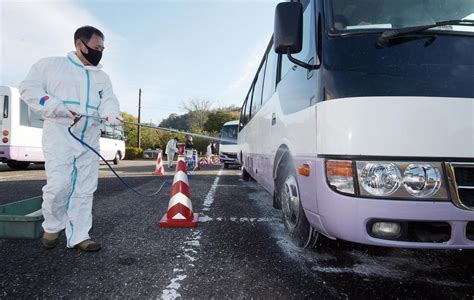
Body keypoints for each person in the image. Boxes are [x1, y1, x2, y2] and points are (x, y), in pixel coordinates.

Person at [19, 26, 121, 252]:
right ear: (79, 45)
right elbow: (28, 88)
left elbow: (109, 100)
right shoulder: (51, 66)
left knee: (85, 189)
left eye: (103, 48)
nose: (100, 52)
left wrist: (112, 114)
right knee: (59, 185)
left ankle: (79, 236)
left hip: (90, 137)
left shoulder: (102, 77)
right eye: (96, 47)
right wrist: (55, 106)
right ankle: (53, 226)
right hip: (60, 135)